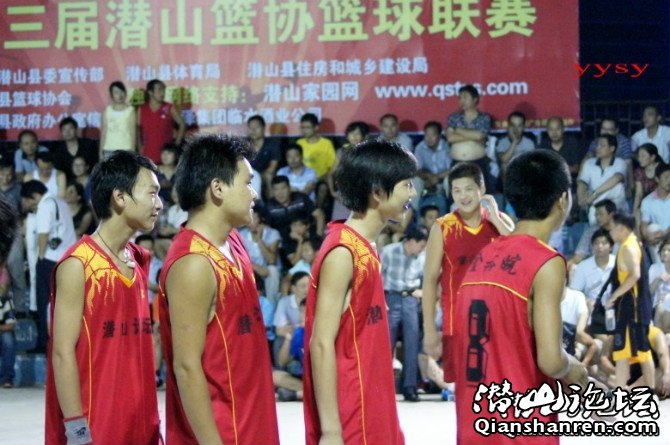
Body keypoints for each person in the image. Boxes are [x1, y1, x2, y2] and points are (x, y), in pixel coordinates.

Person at [454, 150, 588, 444]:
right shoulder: (547, 261)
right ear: (563, 200)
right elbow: (551, 361)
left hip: (474, 424)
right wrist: (579, 373)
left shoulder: (484, 255)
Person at [158, 134, 279, 444]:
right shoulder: (193, 263)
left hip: (254, 424)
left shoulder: (232, 241)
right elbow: (186, 368)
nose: (254, 193)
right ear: (218, 188)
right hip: (224, 433)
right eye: (247, 183)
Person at [44, 150, 162, 444]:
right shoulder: (78, 265)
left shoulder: (138, 258)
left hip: (142, 423)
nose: (159, 204)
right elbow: (62, 353)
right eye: (152, 193)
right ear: (119, 197)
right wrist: (77, 432)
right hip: (98, 427)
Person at [303, 139, 414, 444]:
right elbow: (320, 344)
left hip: (374, 406)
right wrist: (331, 431)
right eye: (406, 185)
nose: (412, 194)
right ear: (378, 192)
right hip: (352, 417)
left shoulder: (365, 247)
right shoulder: (343, 252)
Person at [422, 162, 514, 384]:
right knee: (466, 388)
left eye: (469, 189)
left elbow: (521, 253)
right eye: (457, 190)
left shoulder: (501, 222)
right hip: (458, 322)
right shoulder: (443, 227)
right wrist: (430, 330)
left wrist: (496, 220)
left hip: (498, 321)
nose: (463, 196)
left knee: (500, 387)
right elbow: (430, 281)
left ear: (482, 189)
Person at [21, 180, 77, 352]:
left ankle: (43, 342)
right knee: (64, 303)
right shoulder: (61, 202)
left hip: (50, 260)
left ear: (34, 196)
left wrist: (40, 258)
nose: (27, 204)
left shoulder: (45, 206)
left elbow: (43, 235)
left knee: (43, 300)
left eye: (27, 200)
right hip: (69, 259)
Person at [606, 211, 655, 389]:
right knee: (630, 353)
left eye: (612, 228)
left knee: (634, 353)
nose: (610, 232)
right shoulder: (633, 243)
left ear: (621, 228)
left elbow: (635, 275)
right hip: (634, 307)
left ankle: (635, 393)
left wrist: (614, 295)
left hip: (631, 308)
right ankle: (642, 392)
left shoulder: (629, 247)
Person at [381, 227, 428, 401]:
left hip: (410, 299)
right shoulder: (388, 251)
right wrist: (380, 300)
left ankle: (410, 387)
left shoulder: (422, 256)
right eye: (421, 245)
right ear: (411, 241)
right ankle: (383, 388)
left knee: (412, 343)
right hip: (390, 297)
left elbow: (429, 279)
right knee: (386, 344)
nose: (423, 249)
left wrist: (422, 292)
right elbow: (377, 276)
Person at [446, 84, 494, 192]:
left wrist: (458, 130)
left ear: (475, 99)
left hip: (478, 163)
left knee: (479, 194)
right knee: (457, 194)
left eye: (465, 97)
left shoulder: (484, 118)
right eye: (460, 98)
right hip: (457, 163)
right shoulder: (454, 118)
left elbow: (480, 135)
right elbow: (451, 138)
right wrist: (472, 136)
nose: (461, 101)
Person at [577, 134, 627, 225]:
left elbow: (617, 178)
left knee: (618, 187)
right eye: (597, 145)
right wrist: (581, 198)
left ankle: (597, 205)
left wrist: (594, 195)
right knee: (595, 209)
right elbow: (582, 182)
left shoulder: (620, 162)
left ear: (612, 148)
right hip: (593, 201)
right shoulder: (589, 163)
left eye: (602, 146)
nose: (598, 148)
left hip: (613, 202)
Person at [137, 79, 186, 164]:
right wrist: (139, 147)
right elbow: (138, 129)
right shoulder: (142, 109)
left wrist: (176, 144)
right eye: (159, 90)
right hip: (147, 154)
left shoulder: (169, 107)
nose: (162, 93)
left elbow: (182, 124)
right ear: (150, 92)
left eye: (163, 90)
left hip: (166, 155)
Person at [413, 121, 451, 211]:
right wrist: (429, 177)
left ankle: (451, 210)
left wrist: (436, 177)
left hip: (442, 180)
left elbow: (452, 169)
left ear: (440, 136)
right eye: (426, 135)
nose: (429, 138)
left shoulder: (447, 147)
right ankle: (413, 212)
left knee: (449, 180)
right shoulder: (420, 148)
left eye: (433, 135)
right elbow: (416, 170)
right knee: (415, 180)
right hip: (427, 180)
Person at [538, 117, 584, 182]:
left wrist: (559, 168)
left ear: (563, 129)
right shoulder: (543, 145)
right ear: (547, 131)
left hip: (569, 181)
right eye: (551, 129)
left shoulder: (572, 143)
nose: (554, 133)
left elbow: (577, 168)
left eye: (557, 129)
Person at [640, 162, 670, 263]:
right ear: (657, 179)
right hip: (658, 239)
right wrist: (647, 236)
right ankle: (659, 265)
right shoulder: (647, 201)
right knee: (652, 228)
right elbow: (644, 223)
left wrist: (665, 233)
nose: (669, 180)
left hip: (667, 234)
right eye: (666, 177)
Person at [100, 80, 137, 158]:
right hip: (109, 149)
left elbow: (133, 133)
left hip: (126, 148)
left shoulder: (130, 110)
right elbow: (103, 133)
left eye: (122, 91)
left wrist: (133, 151)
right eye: (116, 92)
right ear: (111, 95)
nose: (120, 95)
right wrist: (100, 152)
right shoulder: (107, 111)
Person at [247, 115, 281, 199]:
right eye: (250, 127)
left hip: (264, 175)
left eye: (256, 127)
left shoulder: (272, 144)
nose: (253, 130)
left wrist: (258, 177)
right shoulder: (245, 145)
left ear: (264, 128)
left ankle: (271, 202)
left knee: (269, 176)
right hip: (249, 175)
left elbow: (272, 168)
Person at [296, 113, 336, 181]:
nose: (304, 131)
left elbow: (332, 165)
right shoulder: (299, 143)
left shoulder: (326, 144)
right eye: (302, 127)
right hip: (302, 180)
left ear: (316, 127)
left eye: (307, 127)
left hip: (322, 180)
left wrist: (322, 179)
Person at [633, 143, 660, 226]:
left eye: (643, 156)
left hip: (662, 202)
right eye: (639, 156)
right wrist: (634, 210)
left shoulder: (663, 169)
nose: (639, 159)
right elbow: (639, 194)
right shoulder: (639, 172)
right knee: (637, 213)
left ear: (652, 157)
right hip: (646, 204)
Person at [0, 266, 16, 388]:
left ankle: (7, 378)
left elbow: (11, 325)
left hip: (2, 332)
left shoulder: (6, 301)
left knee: (8, 338)